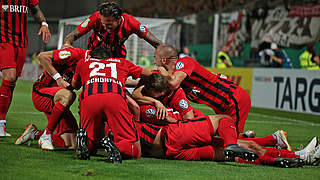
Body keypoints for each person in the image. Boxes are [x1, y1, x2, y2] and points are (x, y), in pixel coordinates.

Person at [133, 73, 293, 151]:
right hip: (186, 123)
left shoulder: (177, 95)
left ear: (162, 92)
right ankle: (273, 139)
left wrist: (172, 122)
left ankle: (273, 141)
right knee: (228, 142)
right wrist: (155, 102)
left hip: (195, 121)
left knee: (227, 144)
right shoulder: (152, 88)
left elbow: (188, 119)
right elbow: (136, 93)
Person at [136, 112, 320, 167]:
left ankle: (300, 157)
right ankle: (232, 143)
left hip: (172, 154)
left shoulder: (117, 131)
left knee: (239, 153)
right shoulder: (122, 114)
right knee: (223, 119)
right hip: (172, 135)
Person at [71, 47, 152, 162]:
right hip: (114, 98)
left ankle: (86, 146)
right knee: (133, 148)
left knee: (90, 140)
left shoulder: (83, 63)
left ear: (91, 56)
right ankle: (113, 145)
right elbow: (148, 74)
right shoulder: (122, 62)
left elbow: (75, 85)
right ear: (110, 57)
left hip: (89, 98)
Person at [15, 47, 87, 150]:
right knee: (69, 95)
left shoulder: (89, 66)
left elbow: (77, 86)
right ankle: (46, 135)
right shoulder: (74, 54)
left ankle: (35, 133)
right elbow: (42, 56)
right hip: (41, 92)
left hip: (59, 101)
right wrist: (59, 78)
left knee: (73, 143)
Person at [0, 0, 51, 137]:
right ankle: (0, 123)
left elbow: (35, 10)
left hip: (21, 41)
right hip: (3, 39)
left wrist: (44, 24)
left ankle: (2, 123)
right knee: (9, 77)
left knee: (11, 83)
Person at [62, 1, 163, 58]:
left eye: (109, 25)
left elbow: (158, 43)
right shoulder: (95, 18)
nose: (105, 27)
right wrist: (67, 45)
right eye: (103, 24)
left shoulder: (131, 23)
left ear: (118, 19)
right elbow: (71, 36)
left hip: (117, 54)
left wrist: (163, 58)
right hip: (94, 53)